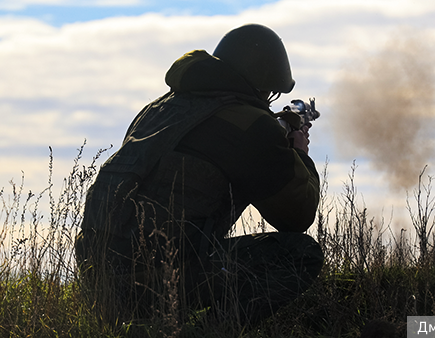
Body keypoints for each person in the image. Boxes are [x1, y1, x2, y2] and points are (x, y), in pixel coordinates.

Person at [75, 23, 323, 327]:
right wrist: (297, 153)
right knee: (301, 256)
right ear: (263, 84)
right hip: (156, 280)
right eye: (269, 93)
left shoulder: (159, 109)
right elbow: (298, 215)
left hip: (97, 278)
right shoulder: (252, 126)